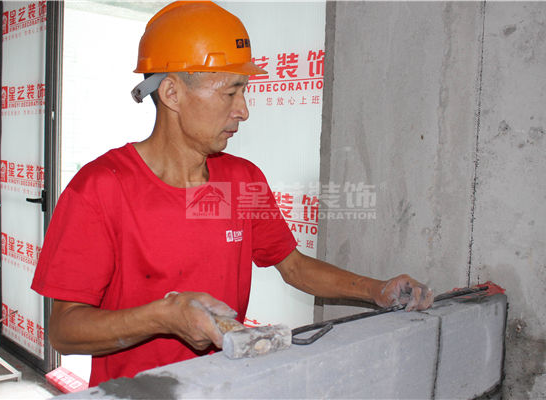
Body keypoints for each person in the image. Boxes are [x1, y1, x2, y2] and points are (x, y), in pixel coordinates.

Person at [31, 1, 433, 387]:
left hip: (228, 387)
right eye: (230, 92)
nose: (243, 110)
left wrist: (376, 290)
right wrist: (164, 316)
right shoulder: (101, 188)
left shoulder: (240, 180)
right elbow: (64, 330)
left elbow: (294, 267)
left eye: (244, 91)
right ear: (171, 93)